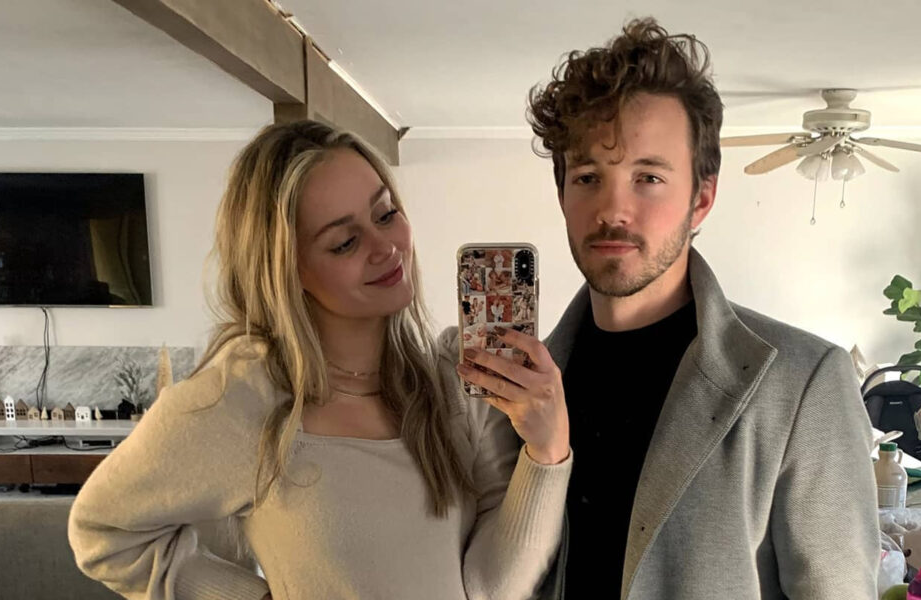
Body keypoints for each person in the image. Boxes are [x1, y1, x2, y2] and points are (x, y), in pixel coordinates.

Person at [68, 120, 571, 600]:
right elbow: (103, 530)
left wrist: (547, 452)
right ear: (287, 268)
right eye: (345, 242)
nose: (386, 247)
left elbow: (494, 589)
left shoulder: (456, 380)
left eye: (385, 214)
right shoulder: (243, 401)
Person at [525, 17, 879, 599]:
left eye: (648, 177)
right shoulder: (528, 384)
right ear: (562, 193)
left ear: (702, 198)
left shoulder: (804, 383)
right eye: (588, 176)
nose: (613, 209)